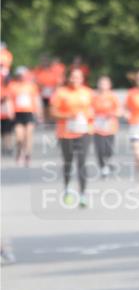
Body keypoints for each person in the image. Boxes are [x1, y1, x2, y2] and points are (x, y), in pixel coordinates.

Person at [49, 67, 94, 207]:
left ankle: (82, 195)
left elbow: (94, 110)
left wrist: (89, 118)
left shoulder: (88, 92)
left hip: (84, 132)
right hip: (65, 133)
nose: (75, 80)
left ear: (82, 79)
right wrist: (68, 116)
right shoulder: (61, 93)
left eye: (78, 77)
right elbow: (52, 112)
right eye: (73, 77)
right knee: (68, 162)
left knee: (82, 162)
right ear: (69, 78)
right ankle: (67, 189)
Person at [6, 66, 42, 166]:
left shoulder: (31, 86)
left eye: (23, 75)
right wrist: (10, 112)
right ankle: (19, 152)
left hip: (29, 113)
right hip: (18, 114)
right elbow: (9, 100)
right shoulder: (12, 86)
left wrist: (39, 113)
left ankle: (27, 155)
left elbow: (37, 100)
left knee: (28, 135)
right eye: (20, 75)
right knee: (19, 137)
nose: (22, 77)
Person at [92, 75, 122, 177]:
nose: (103, 86)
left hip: (110, 126)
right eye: (101, 83)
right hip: (97, 127)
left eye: (105, 83)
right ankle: (102, 166)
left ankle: (108, 161)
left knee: (108, 149)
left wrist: (112, 114)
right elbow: (89, 109)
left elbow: (119, 110)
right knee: (99, 149)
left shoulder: (112, 97)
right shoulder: (94, 97)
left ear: (109, 85)